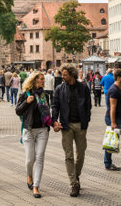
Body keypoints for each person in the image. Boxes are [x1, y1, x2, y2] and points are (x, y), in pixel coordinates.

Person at [52, 64, 91, 198]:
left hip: (81, 125)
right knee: (69, 156)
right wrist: (54, 121)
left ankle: (76, 176)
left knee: (80, 154)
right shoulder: (59, 89)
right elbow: (55, 105)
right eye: (62, 74)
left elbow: (88, 105)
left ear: (72, 75)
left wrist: (86, 121)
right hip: (66, 126)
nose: (62, 77)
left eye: (65, 75)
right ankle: (74, 184)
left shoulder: (83, 87)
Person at [16, 71, 52, 199]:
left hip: (42, 130)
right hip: (29, 130)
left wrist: (52, 124)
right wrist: (26, 102)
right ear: (35, 80)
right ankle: (29, 175)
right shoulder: (25, 94)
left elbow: (47, 114)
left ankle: (36, 186)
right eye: (41, 79)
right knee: (30, 160)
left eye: (43, 79)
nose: (44, 81)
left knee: (40, 157)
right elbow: (18, 111)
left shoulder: (45, 95)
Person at [103, 68, 121, 171]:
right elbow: (112, 107)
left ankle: (108, 163)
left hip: (118, 118)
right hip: (113, 118)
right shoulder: (114, 90)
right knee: (111, 141)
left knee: (112, 141)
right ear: (119, 78)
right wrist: (113, 123)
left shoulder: (118, 88)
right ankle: (107, 163)